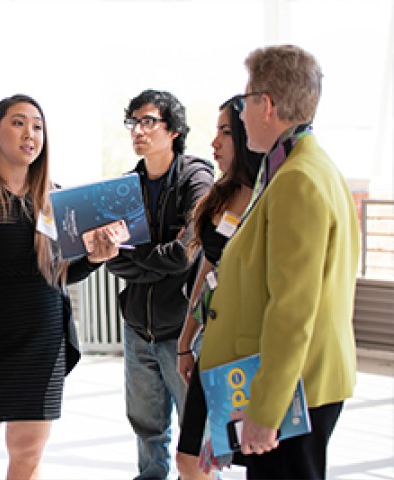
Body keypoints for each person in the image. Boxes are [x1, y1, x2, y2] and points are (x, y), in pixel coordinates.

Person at [0, 94, 120, 480]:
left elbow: (60, 275)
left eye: (37, 126)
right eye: (17, 123)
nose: (29, 133)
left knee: (28, 459)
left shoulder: (55, 198)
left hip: (43, 349)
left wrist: (96, 257)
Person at [198, 44, 361, 479]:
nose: (242, 112)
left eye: (244, 101)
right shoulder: (300, 167)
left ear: (265, 105)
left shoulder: (298, 180)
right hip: (295, 382)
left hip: (295, 391)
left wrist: (267, 408)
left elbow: (293, 308)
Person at [106, 89, 214, 479]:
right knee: (147, 429)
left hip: (184, 331)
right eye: (133, 122)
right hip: (138, 329)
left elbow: (185, 253)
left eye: (148, 121)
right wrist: (156, 260)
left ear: (174, 129)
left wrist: (142, 257)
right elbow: (113, 260)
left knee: (196, 433)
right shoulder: (124, 186)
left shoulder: (196, 178)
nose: (138, 130)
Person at [175, 96, 263, 480]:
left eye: (225, 132)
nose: (214, 143)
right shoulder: (219, 197)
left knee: (255, 457)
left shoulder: (272, 196)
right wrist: (185, 340)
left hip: (254, 351)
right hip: (212, 346)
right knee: (190, 459)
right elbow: (206, 270)